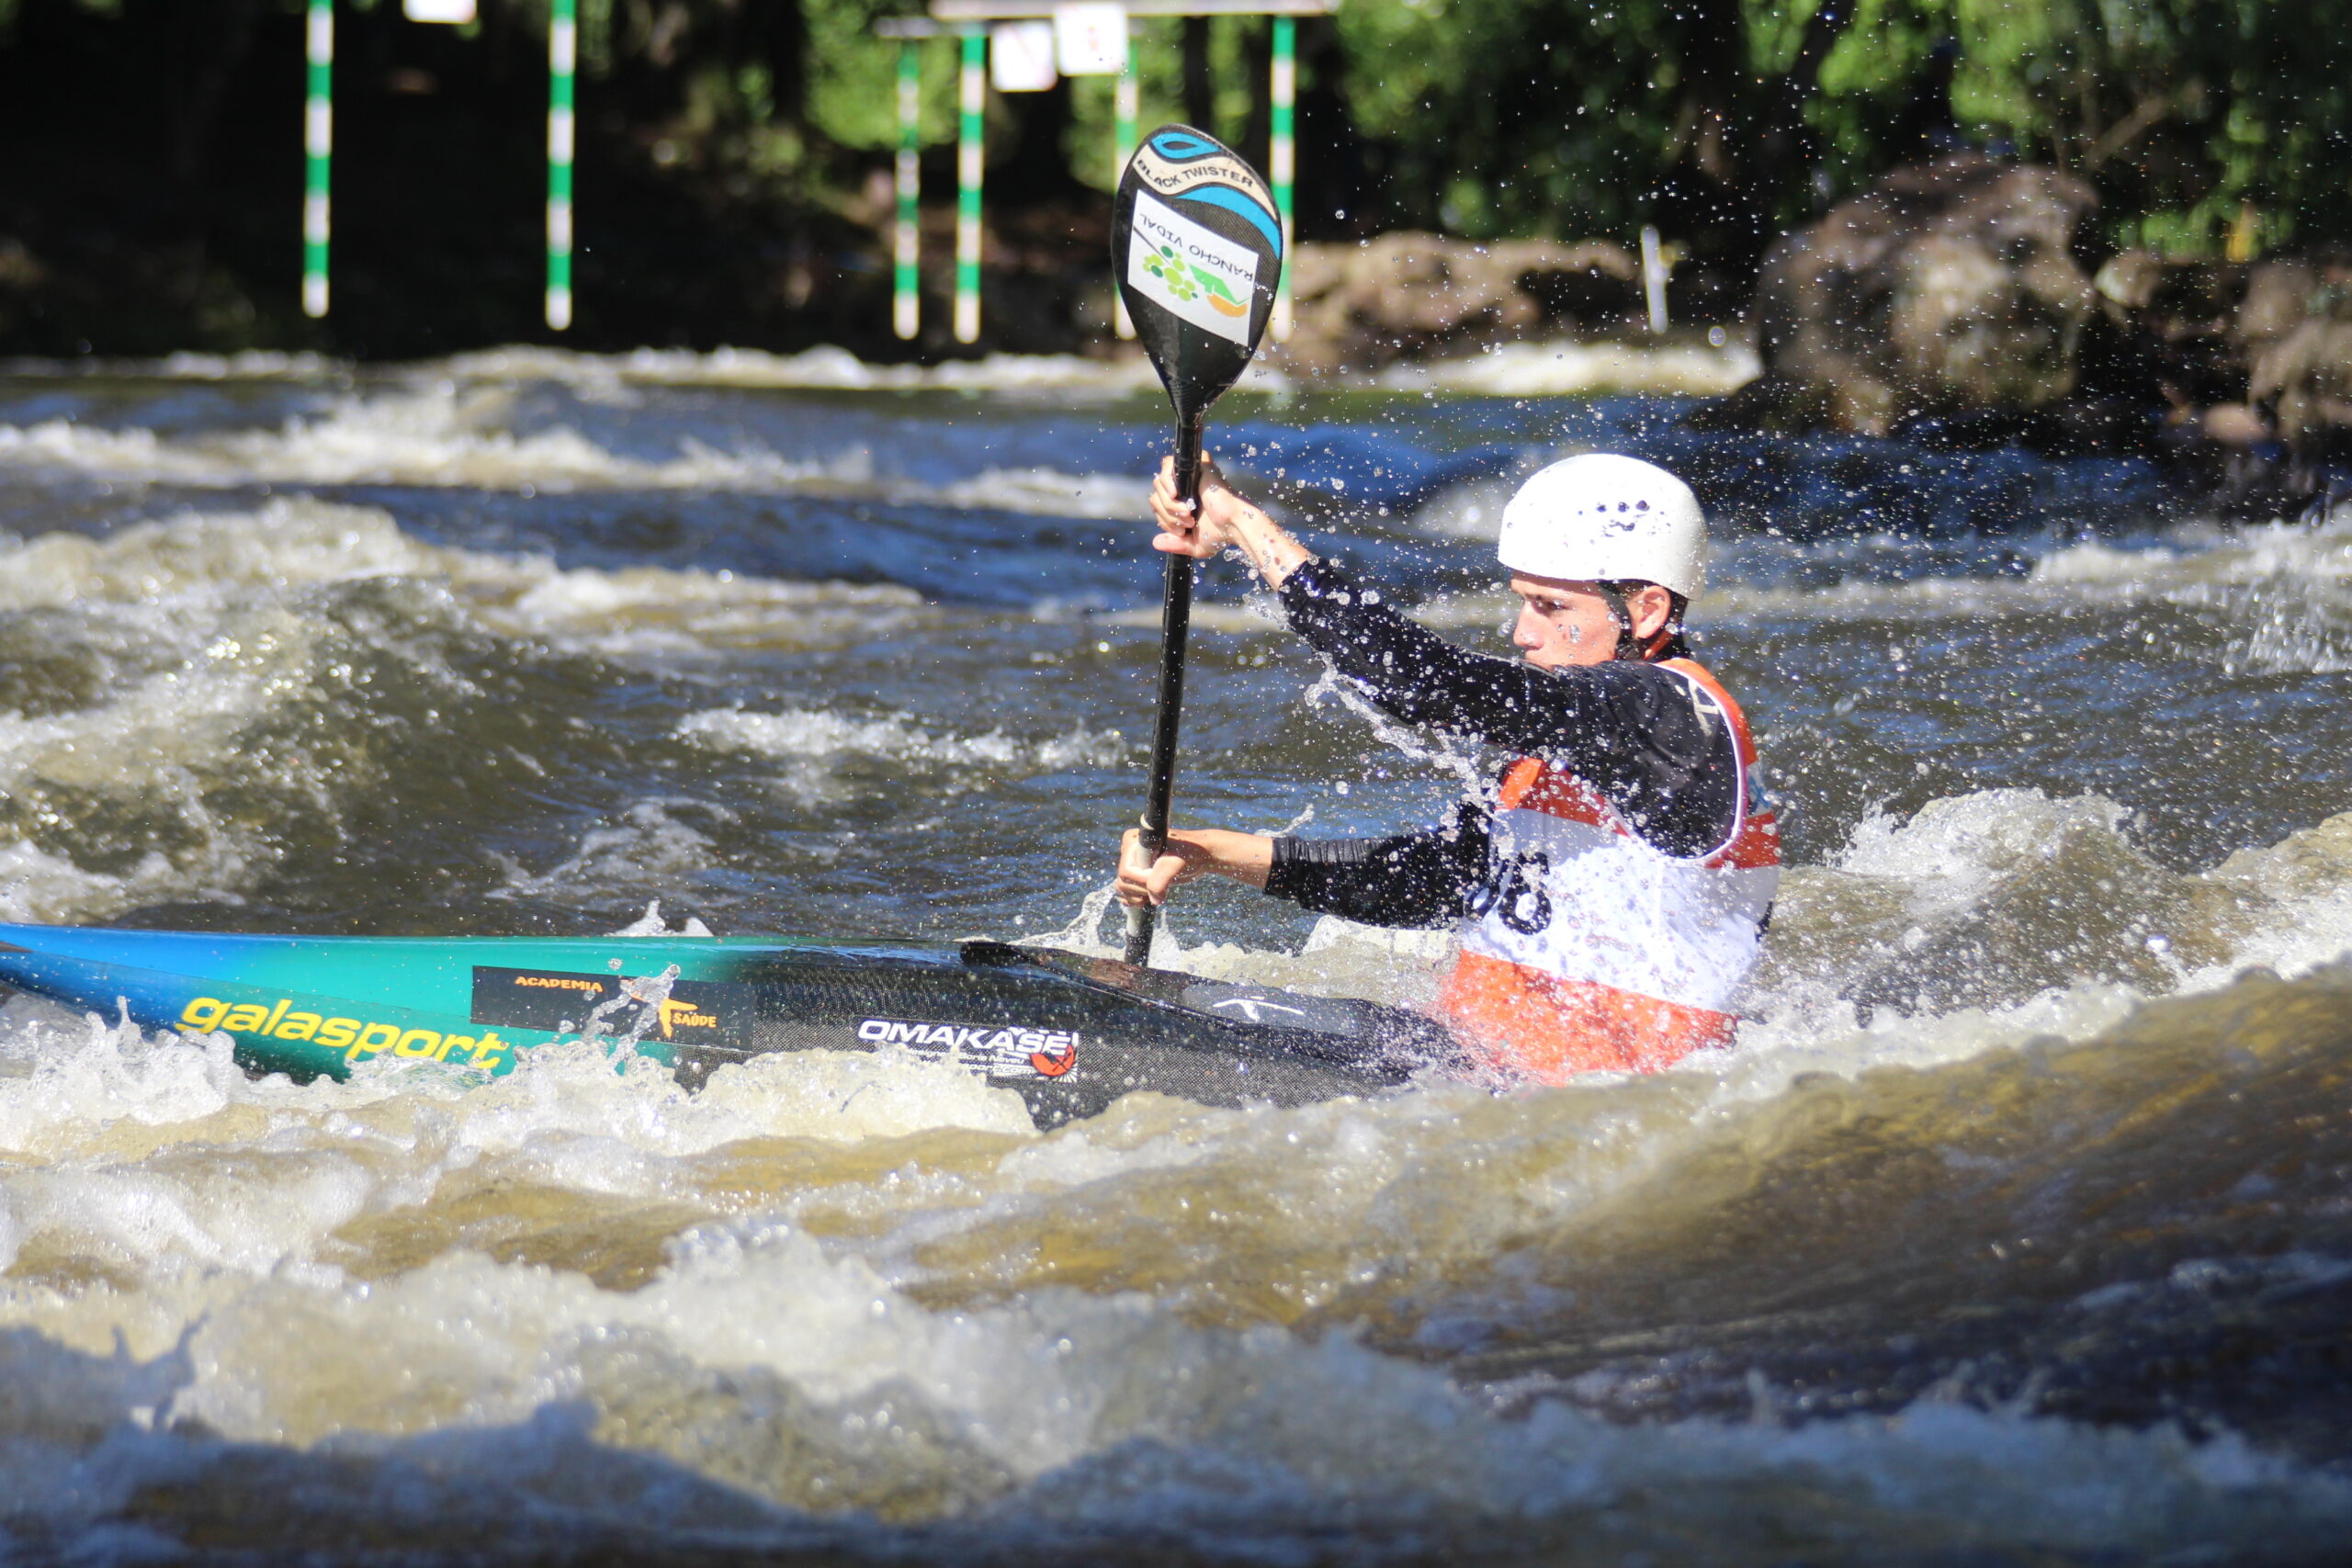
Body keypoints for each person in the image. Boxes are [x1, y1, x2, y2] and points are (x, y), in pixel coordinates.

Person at [1115, 451, 1779, 1084]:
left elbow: (1429, 684)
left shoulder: (1670, 715)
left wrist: (1241, 524)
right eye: (1522, 600)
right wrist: (1209, 853)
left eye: (1551, 607)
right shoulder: (1573, 737)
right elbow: (1437, 883)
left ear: (1648, 610)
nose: (1523, 633)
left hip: (1599, 1102)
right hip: (1473, 1065)